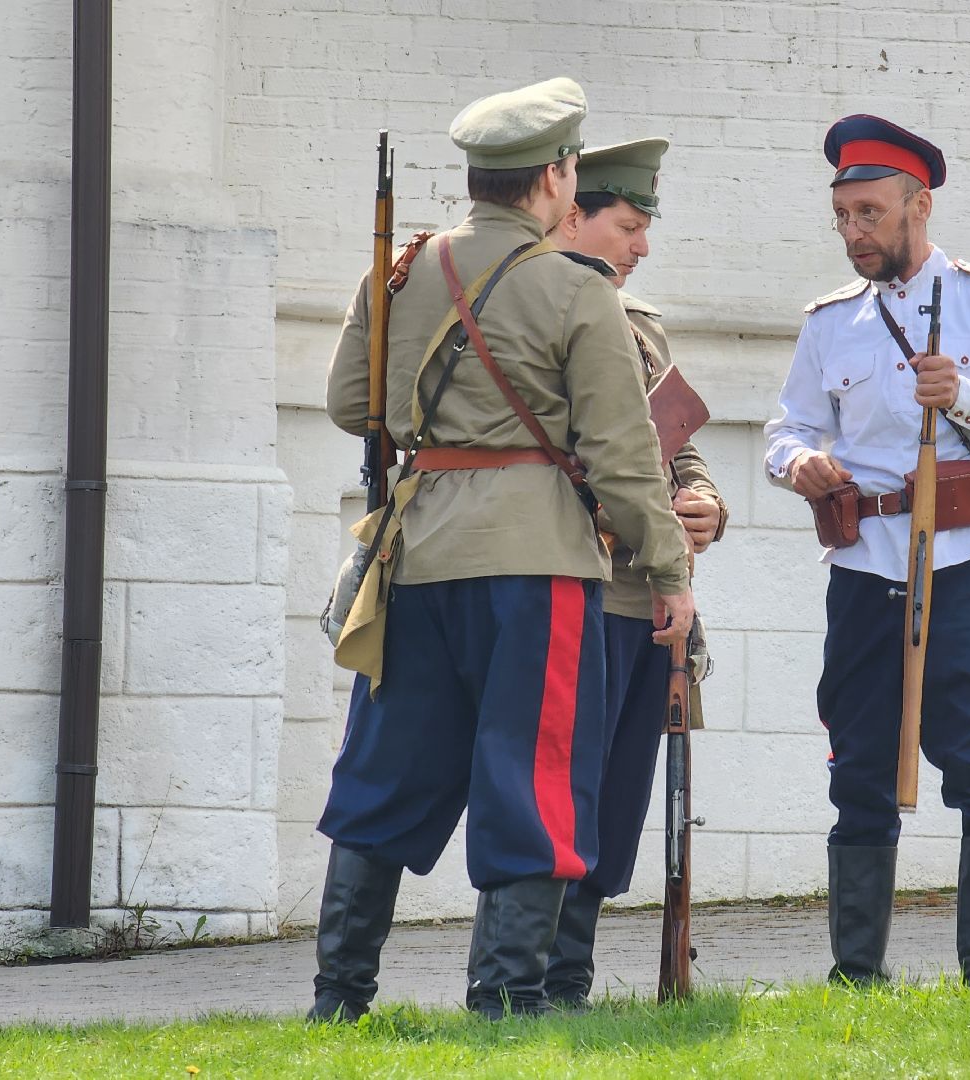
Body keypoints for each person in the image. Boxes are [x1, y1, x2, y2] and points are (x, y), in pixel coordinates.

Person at [315, 77, 695, 1021]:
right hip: (538, 568)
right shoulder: (576, 290)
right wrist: (668, 570)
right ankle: (507, 998)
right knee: (537, 774)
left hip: (420, 555)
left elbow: (350, 409)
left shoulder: (401, 270)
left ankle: (338, 998)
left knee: (385, 770)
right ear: (558, 176)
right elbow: (620, 455)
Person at [763, 114, 970, 983]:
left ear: (916, 205)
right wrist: (799, 463)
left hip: (967, 561)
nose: (853, 233)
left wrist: (963, 394)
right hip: (863, 568)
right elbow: (789, 428)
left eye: (869, 213)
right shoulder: (829, 323)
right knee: (856, 763)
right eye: (842, 217)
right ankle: (857, 975)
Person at [542, 138, 727, 1007]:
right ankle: (536, 974)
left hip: (643, 600)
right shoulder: (538, 315)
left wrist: (703, 506)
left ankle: (571, 970)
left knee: (618, 791)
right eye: (628, 225)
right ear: (573, 215)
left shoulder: (640, 324)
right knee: (562, 787)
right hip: (572, 584)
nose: (640, 246)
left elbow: (679, 452)